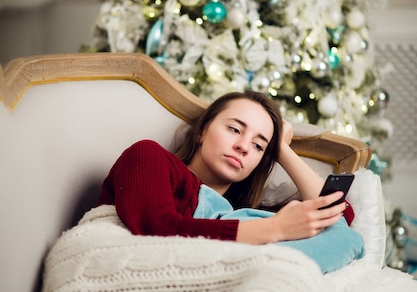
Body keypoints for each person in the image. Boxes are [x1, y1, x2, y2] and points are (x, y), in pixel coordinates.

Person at [98, 91, 353, 246]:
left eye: (258, 146)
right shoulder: (149, 156)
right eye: (235, 129)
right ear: (203, 130)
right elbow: (157, 228)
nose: (243, 146)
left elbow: (339, 214)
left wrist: (281, 151)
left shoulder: (242, 215)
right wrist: (275, 229)